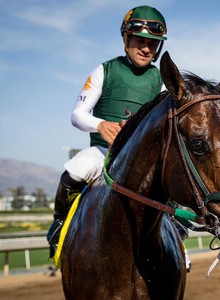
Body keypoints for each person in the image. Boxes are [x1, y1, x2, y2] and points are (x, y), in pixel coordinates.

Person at [46, 5, 167, 258]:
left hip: (143, 159)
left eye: (153, 43)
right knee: (76, 168)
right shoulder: (105, 70)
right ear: (126, 39)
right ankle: (59, 225)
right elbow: (77, 115)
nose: (146, 48)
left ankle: (175, 233)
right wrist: (100, 125)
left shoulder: (162, 80)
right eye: (140, 41)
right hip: (104, 153)